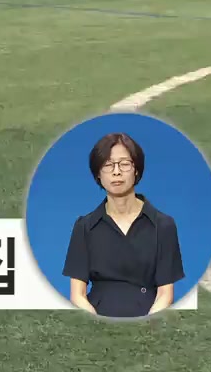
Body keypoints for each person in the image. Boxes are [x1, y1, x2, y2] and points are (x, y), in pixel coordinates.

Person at [63, 132, 185, 318]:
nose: (116, 172)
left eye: (124, 164)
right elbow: (77, 295)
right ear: (98, 174)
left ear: (136, 170)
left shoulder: (163, 225)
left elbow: (165, 294)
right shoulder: (85, 226)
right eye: (108, 165)